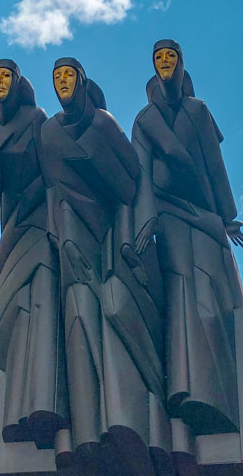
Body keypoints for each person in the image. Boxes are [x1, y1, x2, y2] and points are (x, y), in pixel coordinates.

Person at [39, 57, 167, 451]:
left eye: (68, 76)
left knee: (115, 304)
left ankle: (139, 406)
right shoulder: (48, 134)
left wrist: (129, 241)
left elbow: (133, 182)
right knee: (79, 305)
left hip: (118, 230)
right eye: (56, 76)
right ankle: (88, 429)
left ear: (81, 81)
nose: (62, 82)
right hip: (76, 230)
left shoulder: (104, 124)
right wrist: (65, 238)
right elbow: (53, 192)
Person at [131, 41, 243, 435]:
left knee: (212, 290)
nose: (165, 64)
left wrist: (227, 218)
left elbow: (215, 167)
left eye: (171, 57)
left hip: (206, 217)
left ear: (181, 65)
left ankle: (222, 390)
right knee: (182, 289)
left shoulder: (198, 111)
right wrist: (144, 222)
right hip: (168, 215)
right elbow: (142, 177)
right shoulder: (144, 121)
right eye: (158, 59)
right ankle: (185, 388)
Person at [0, 60, 68, 447]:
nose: (0, 83)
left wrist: (60, 226)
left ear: (18, 81)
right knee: (13, 304)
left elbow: (53, 175)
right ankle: (19, 406)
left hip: (42, 220)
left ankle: (47, 400)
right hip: (13, 227)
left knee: (42, 301)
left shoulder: (37, 118)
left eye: (6, 76)